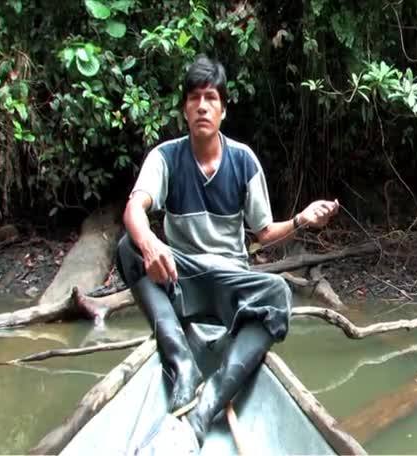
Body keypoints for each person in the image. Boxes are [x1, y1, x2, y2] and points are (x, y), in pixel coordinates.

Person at [116, 54, 339, 445]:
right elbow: (135, 208)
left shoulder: (243, 161)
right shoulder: (165, 157)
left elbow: (266, 232)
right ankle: (181, 362)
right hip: (181, 279)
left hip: (229, 283)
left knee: (278, 294)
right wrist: (150, 242)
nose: (202, 106)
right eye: (195, 98)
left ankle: (208, 405)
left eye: (211, 98)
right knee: (127, 247)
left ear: (223, 109)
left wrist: (302, 218)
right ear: (185, 108)